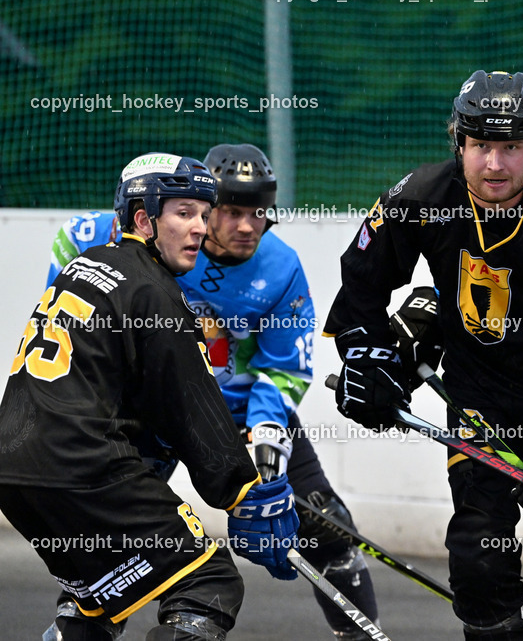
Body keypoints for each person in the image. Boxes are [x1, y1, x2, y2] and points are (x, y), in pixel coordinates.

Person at [324, 70, 523, 641]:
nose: (494, 164)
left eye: (511, 148)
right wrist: (369, 358)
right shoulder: (421, 197)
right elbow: (362, 283)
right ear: (460, 143)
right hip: (478, 404)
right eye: (481, 146)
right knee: (477, 557)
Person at [42, 144, 381, 639]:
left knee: (326, 522)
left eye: (258, 213)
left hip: (239, 410)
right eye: (231, 211)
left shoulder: (280, 266)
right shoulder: (131, 235)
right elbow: (73, 257)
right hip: (150, 412)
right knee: (111, 552)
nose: (247, 226)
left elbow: (285, 366)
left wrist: (267, 445)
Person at [0, 153, 299, 640]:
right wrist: (247, 496)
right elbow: (191, 409)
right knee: (210, 582)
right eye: (184, 213)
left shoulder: (84, 265)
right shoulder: (154, 293)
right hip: (81, 465)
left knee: (96, 602)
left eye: (204, 214)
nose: (200, 228)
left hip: (14, 468)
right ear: (143, 219)